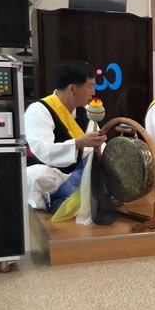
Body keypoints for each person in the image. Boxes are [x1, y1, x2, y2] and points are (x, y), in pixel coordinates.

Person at [24, 61, 107, 210]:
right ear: (73, 88)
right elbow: (43, 151)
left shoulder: (86, 110)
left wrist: (101, 149)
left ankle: (73, 194)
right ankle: (55, 199)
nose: (94, 92)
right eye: (90, 86)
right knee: (37, 176)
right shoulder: (38, 110)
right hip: (50, 174)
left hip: (77, 174)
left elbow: (92, 148)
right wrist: (78, 143)